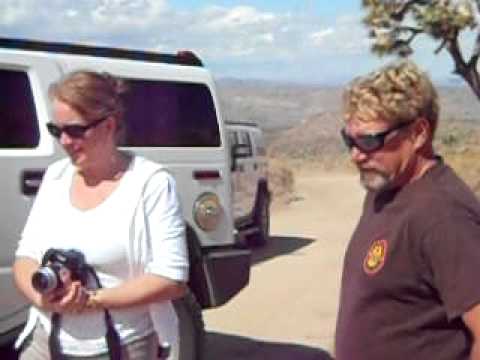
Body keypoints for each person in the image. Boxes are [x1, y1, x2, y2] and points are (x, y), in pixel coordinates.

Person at [12, 70, 189, 359]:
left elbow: (171, 279)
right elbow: (25, 256)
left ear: (109, 126)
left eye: (75, 130)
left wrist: (92, 301)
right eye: (56, 131)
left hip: (122, 345)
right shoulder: (56, 177)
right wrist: (44, 299)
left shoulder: (151, 184)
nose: (65, 141)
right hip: (47, 341)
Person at [335, 60, 480, 360]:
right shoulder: (385, 190)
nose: (356, 155)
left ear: (418, 134)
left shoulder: (444, 215)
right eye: (349, 139)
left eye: (369, 140)